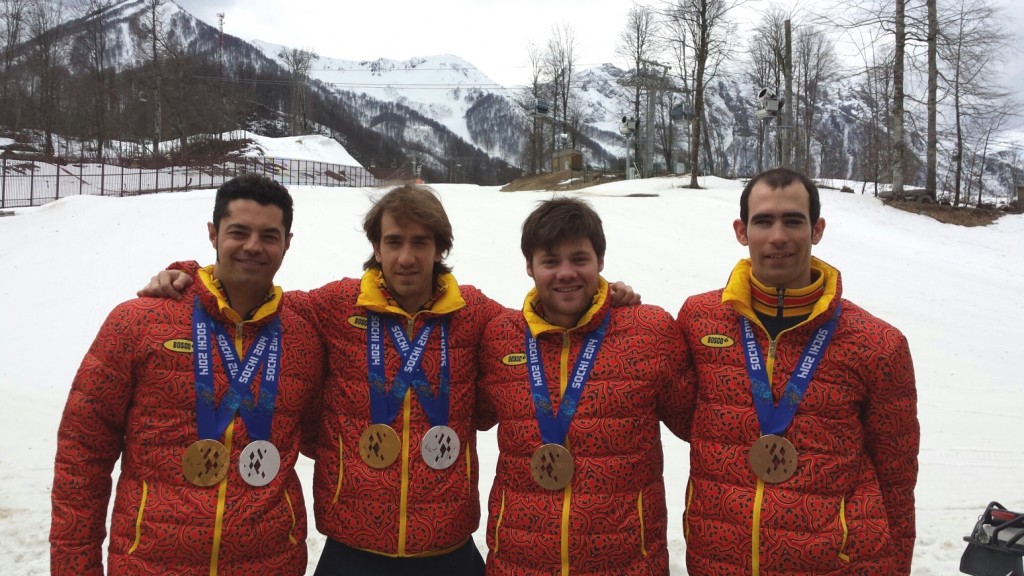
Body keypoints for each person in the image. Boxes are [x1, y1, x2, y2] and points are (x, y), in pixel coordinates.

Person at [137, 185, 640, 575]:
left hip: (448, 548)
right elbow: (248, 297)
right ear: (376, 247)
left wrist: (604, 296)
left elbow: (548, 321)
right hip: (352, 548)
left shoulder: (477, 315)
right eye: (393, 242)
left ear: (439, 249)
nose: (405, 258)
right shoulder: (333, 307)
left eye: (420, 243)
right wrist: (183, 276)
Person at [50, 174, 324, 575]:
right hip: (151, 563)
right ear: (213, 234)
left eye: (269, 235)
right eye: (238, 231)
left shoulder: (302, 336)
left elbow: (328, 436)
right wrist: (74, 567)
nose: (252, 246)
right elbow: (82, 452)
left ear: (287, 243)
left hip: (270, 563)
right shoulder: (140, 321)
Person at [675, 167, 919, 575]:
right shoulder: (700, 319)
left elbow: (896, 477)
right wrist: (610, 299)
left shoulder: (877, 344)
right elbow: (678, 408)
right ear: (741, 231)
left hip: (835, 563)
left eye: (793, 220)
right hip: (721, 559)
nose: (778, 237)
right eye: (763, 221)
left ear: (817, 229)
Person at [475, 197, 694, 574]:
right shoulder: (501, 337)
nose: (565, 273)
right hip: (520, 562)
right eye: (550, 261)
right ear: (529, 267)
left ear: (601, 261)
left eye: (579, 259)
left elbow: (698, 423)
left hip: (627, 564)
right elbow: (474, 412)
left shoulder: (650, 331)